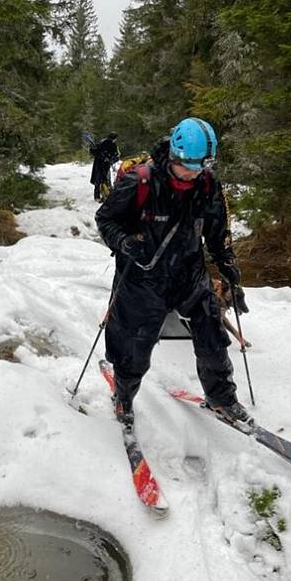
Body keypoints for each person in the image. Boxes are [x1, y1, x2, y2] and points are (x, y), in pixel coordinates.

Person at [95, 117, 251, 429]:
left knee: (212, 335)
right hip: (142, 275)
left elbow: (218, 232)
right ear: (175, 156)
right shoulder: (139, 182)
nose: (194, 173)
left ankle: (222, 397)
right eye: (189, 165)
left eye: (201, 166)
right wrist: (124, 242)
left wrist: (228, 264)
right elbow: (106, 219)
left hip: (189, 273)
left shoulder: (207, 185)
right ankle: (124, 396)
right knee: (135, 344)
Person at [89, 131, 120, 201]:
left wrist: (111, 159)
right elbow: (94, 152)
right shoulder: (102, 143)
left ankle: (106, 194)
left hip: (106, 165)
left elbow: (116, 155)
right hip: (99, 164)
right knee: (98, 180)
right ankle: (97, 196)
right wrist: (102, 157)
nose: (116, 140)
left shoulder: (113, 144)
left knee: (105, 179)